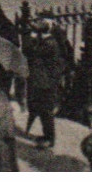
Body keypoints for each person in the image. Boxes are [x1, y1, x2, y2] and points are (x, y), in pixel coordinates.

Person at [23, 18, 72, 149]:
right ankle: (47, 136)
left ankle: (49, 138)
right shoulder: (46, 42)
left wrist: (30, 39)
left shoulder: (48, 44)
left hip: (45, 83)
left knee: (46, 111)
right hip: (44, 82)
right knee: (44, 110)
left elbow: (29, 52)